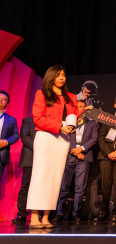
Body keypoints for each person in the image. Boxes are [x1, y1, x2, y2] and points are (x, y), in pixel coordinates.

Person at [27, 66, 86, 229]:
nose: (62, 77)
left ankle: (46, 216)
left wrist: (85, 112)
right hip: (47, 136)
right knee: (41, 176)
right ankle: (34, 217)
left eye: (64, 75)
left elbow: (73, 117)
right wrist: (59, 127)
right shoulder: (42, 94)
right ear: (51, 77)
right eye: (59, 75)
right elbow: (38, 118)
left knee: (55, 178)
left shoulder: (71, 97)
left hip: (63, 138)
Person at [55, 100, 99, 222]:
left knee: (80, 187)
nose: (82, 109)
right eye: (79, 107)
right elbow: (63, 138)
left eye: (84, 107)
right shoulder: (69, 123)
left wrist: (81, 149)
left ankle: (76, 213)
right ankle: (59, 212)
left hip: (84, 157)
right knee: (64, 186)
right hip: (69, 156)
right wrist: (74, 150)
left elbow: (94, 139)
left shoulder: (92, 123)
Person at [12, 117, 36, 223]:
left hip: (46, 158)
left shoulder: (49, 120)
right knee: (26, 185)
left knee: (42, 186)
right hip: (30, 156)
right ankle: (22, 213)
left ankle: (39, 213)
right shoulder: (28, 120)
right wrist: (40, 148)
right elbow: (25, 137)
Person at [0, 90, 20, 180]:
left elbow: (16, 135)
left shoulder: (12, 119)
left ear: (6, 104)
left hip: (1, 154)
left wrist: (6, 141)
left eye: (4, 99)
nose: (1, 100)